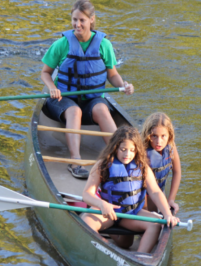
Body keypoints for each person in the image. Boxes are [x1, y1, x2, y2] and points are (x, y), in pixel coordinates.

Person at [40, 0, 134, 179]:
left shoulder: (104, 45)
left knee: (102, 108)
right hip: (63, 99)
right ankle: (76, 161)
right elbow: (45, 73)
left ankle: (119, 158)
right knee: (74, 111)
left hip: (91, 99)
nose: (77, 24)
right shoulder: (61, 44)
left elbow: (112, 75)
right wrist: (52, 87)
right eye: (74, 19)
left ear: (91, 20)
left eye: (82, 20)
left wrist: (123, 86)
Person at [81, 126, 179, 253]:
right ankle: (108, 250)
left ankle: (139, 258)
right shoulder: (102, 165)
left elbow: (155, 192)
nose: (128, 154)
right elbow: (86, 194)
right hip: (107, 213)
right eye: (123, 149)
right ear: (115, 147)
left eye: (132, 150)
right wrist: (102, 204)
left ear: (137, 150)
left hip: (131, 213)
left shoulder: (143, 167)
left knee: (152, 227)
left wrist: (167, 214)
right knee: (85, 221)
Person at [141, 112, 181, 214]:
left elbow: (177, 172)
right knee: (151, 216)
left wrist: (171, 199)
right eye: (154, 136)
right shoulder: (143, 151)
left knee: (156, 214)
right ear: (148, 135)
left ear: (169, 136)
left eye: (163, 136)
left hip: (158, 190)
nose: (159, 142)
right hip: (143, 193)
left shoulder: (171, 147)